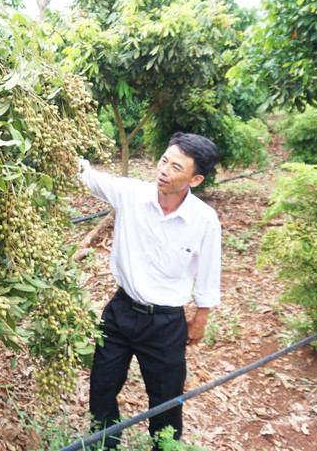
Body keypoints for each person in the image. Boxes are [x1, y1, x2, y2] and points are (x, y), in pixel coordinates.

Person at [77, 132, 221, 450]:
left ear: (195, 179)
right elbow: (89, 177)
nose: (164, 170)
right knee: (101, 386)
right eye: (163, 160)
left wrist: (201, 317)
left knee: (166, 399)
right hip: (121, 311)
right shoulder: (132, 194)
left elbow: (210, 270)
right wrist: (63, 155)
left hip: (166, 323)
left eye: (176, 167)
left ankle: (164, 446)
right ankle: (105, 444)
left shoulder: (204, 220)